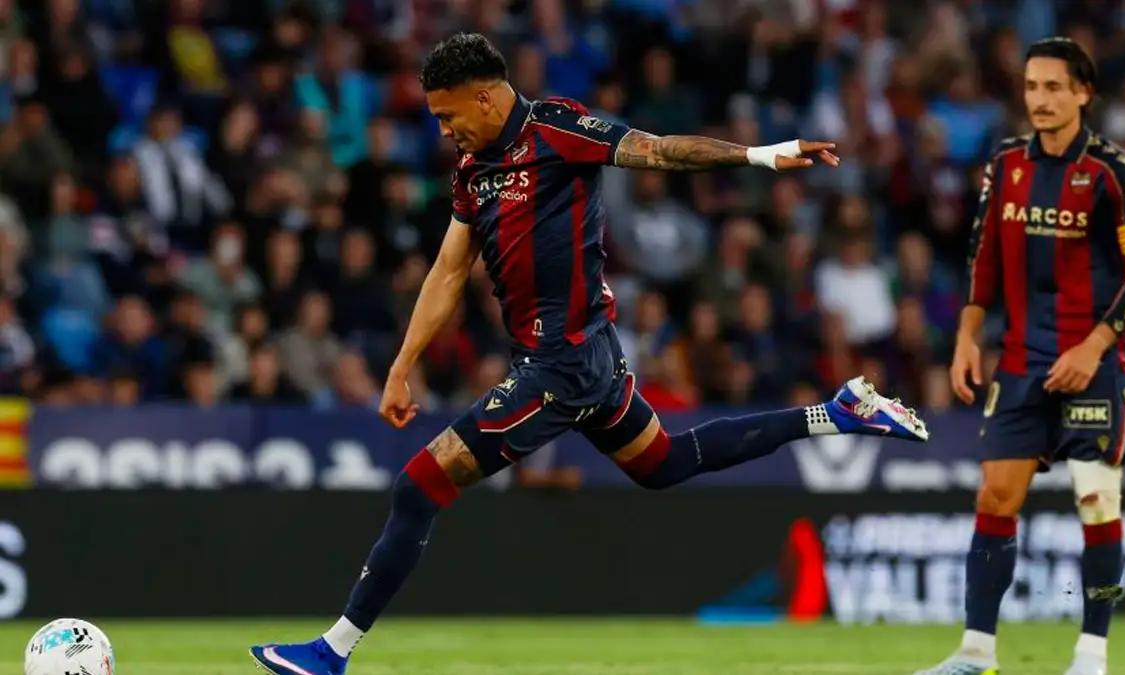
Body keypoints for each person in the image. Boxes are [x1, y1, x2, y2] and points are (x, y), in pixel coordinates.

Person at [250, 33, 930, 675]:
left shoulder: (558, 128)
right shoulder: (473, 170)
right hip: (584, 357)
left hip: (563, 362)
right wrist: (402, 365)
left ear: (485, 96)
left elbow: (658, 152)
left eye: (447, 114)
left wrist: (756, 155)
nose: (444, 130)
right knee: (665, 463)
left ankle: (331, 652)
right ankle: (837, 412)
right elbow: (449, 271)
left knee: (419, 485)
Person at [916, 38, 1125, 675]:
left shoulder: (1114, 170)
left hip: (1092, 363)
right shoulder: (1006, 165)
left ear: (1083, 92)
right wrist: (966, 337)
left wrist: (1094, 346)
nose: (1040, 99)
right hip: (1022, 361)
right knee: (995, 498)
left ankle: (1091, 655)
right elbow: (984, 256)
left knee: (1096, 503)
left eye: (1054, 87)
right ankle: (976, 654)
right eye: (1031, 86)